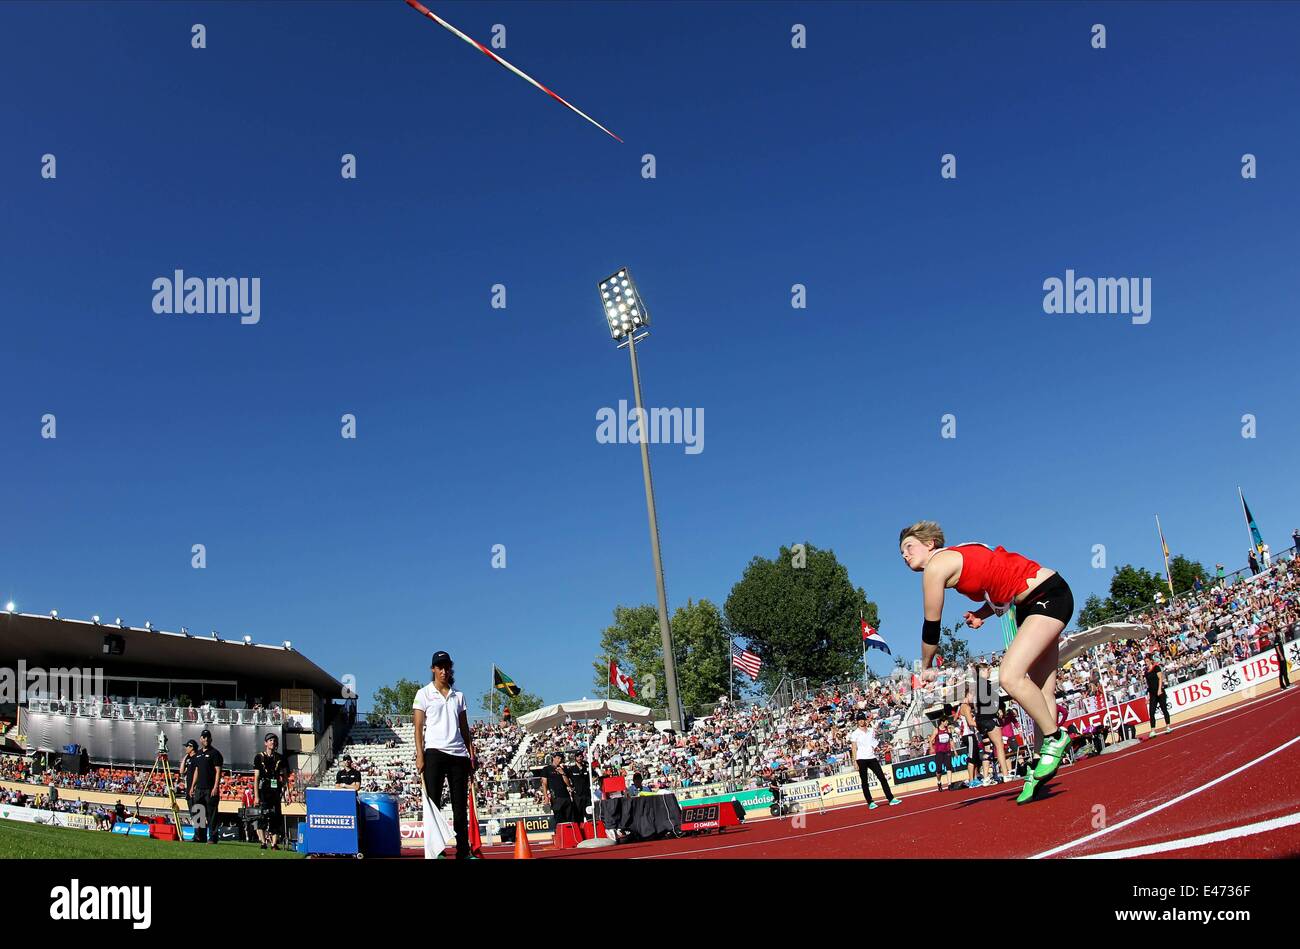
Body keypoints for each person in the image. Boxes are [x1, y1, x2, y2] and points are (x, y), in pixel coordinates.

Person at [900, 522, 1076, 805]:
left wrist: (926, 665)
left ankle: (1056, 738)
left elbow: (931, 626)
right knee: (1042, 692)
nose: (905, 555)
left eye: (909, 547)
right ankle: (1042, 767)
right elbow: (1002, 590)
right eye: (901, 554)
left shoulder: (936, 566)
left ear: (930, 543)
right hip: (1031, 603)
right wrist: (982, 613)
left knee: (1009, 676)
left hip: (1047, 596)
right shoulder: (966, 554)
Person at [412, 651, 478, 860]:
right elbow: (418, 727)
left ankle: (463, 851)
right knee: (433, 804)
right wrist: (420, 755)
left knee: (460, 807)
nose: (443, 671)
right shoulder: (423, 694)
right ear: (433, 669)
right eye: (439, 667)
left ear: (451, 669)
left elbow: (465, 727)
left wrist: (471, 753)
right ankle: (437, 850)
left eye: (447, 667)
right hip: (434, 753)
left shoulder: (459, 696)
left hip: (459, 754)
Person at [971, 664, 1013, 784]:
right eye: (988, 670)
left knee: (987, 750)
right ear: (982, 671)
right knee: (999, 746)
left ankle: (985, 777)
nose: (989, 672)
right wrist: (1001, 708)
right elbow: (996, 699)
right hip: (988, 719)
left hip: (980, 720)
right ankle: (1005, 774)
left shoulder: (977, 686)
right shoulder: (984, 684)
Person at [848, 711, 899, 809]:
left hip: (872, 757)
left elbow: (873, 742)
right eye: (859, 720)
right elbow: (854, 748)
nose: (861, 721)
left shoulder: (871, 730)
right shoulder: (855, 733)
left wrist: (879, 748)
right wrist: (854, 762)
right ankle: (870, 802)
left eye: (862, 719)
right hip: (861, 759)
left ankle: (891, 798)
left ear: (865, 720)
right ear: (857, 722)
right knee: (865, 781)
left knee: (882, 777)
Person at [252, 733, 287, 850]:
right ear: (265, 743)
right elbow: (256, 778)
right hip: (264, 789)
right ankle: (263, 842)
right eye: (270, 740)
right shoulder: (259, 757)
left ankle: (274, 843)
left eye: (275, 740)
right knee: (262, 815)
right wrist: (256, 796)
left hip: (275, 789)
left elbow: (284, 776)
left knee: (276, 816)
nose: (273, 742)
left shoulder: (280, 758)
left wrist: (286, 792)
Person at [188, 729, 223, 844]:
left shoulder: (215, 753)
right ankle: (199, 836)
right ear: (201, 739)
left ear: (211, 739)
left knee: (211, 814)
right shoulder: (198, 754)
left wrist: (215, 787)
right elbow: (196, 771)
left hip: (210, 789)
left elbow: (218, 771)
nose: (206, 739)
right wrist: (192, 786)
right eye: (204, 737)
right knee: (199, 812)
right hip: (199, 789)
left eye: (208, 737)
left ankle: (212, 837)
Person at [541, 752, 577, 822]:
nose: (559, 760)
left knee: (569, 818)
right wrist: (546, 797)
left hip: (566, 796)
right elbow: (544, 784)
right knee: (558, 818)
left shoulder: (564, 768)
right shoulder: (546, 769)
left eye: (561, 758)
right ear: (553, 758)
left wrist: (563, 773)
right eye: (558, 758)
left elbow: (568, 784)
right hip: (555, 797)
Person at [1144, 655, 1173, 735]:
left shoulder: (1156, 667)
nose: (1146, 663)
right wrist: (1148, 697)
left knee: (1164, 709)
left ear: (1150, 661)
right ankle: (1153, 730)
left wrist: (1160, 689)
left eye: (1147, 661)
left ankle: (1168, 726)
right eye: (1145, 661)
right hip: (1152, 694)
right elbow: (1148, 685)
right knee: (1151, 712)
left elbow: (1160, 678)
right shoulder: (1146, 672)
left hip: (1159, 692)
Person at [931, 716, 954, 791]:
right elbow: (931, 740)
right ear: (942, 722)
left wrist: (955, 750)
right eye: (946, 721)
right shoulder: (936, 730)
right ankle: (939, 782)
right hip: (939, 752)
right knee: (939, 770)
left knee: (949, 767)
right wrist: (931, 748)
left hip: (947, 751)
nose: (947, 722)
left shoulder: (948, 730)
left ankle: (949, 784)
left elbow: (951, 740)